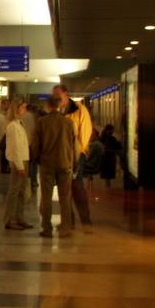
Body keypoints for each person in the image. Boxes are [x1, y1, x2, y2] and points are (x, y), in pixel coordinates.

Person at [32, 95, 75, 238]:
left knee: (46, 197)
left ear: (48, 106)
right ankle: (65, 228)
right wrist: (71, 162)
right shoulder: (68, 122)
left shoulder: (41, 122)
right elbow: (72, 144)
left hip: (47, 163)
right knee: (65, 197)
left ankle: (47, 228)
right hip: (65, 163)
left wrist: (36, 159)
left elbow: (36, 145)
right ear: (60, 106)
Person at [53, 85, 93, 230]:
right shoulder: (55, 111)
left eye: (58, 95)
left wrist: (79, 151)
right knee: (64, 188)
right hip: (60, 155)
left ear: (66, 94)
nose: (56, 98)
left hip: (76, 154)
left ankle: (85, 220)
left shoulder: (79, 109)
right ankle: (69, 221)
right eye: (54, 96)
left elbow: (85, 132)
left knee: (77, 186)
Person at [3, 100, 32, 230]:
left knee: (21, 191)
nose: (25, 110)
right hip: (18, 162)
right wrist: (20, 166)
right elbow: (15, 149)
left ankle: (19, 217)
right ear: (17, 109)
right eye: (23, 107)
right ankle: (10, 219)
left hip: (24, 159)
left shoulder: (19, 124)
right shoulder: (13, 126)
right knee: (14, 191)